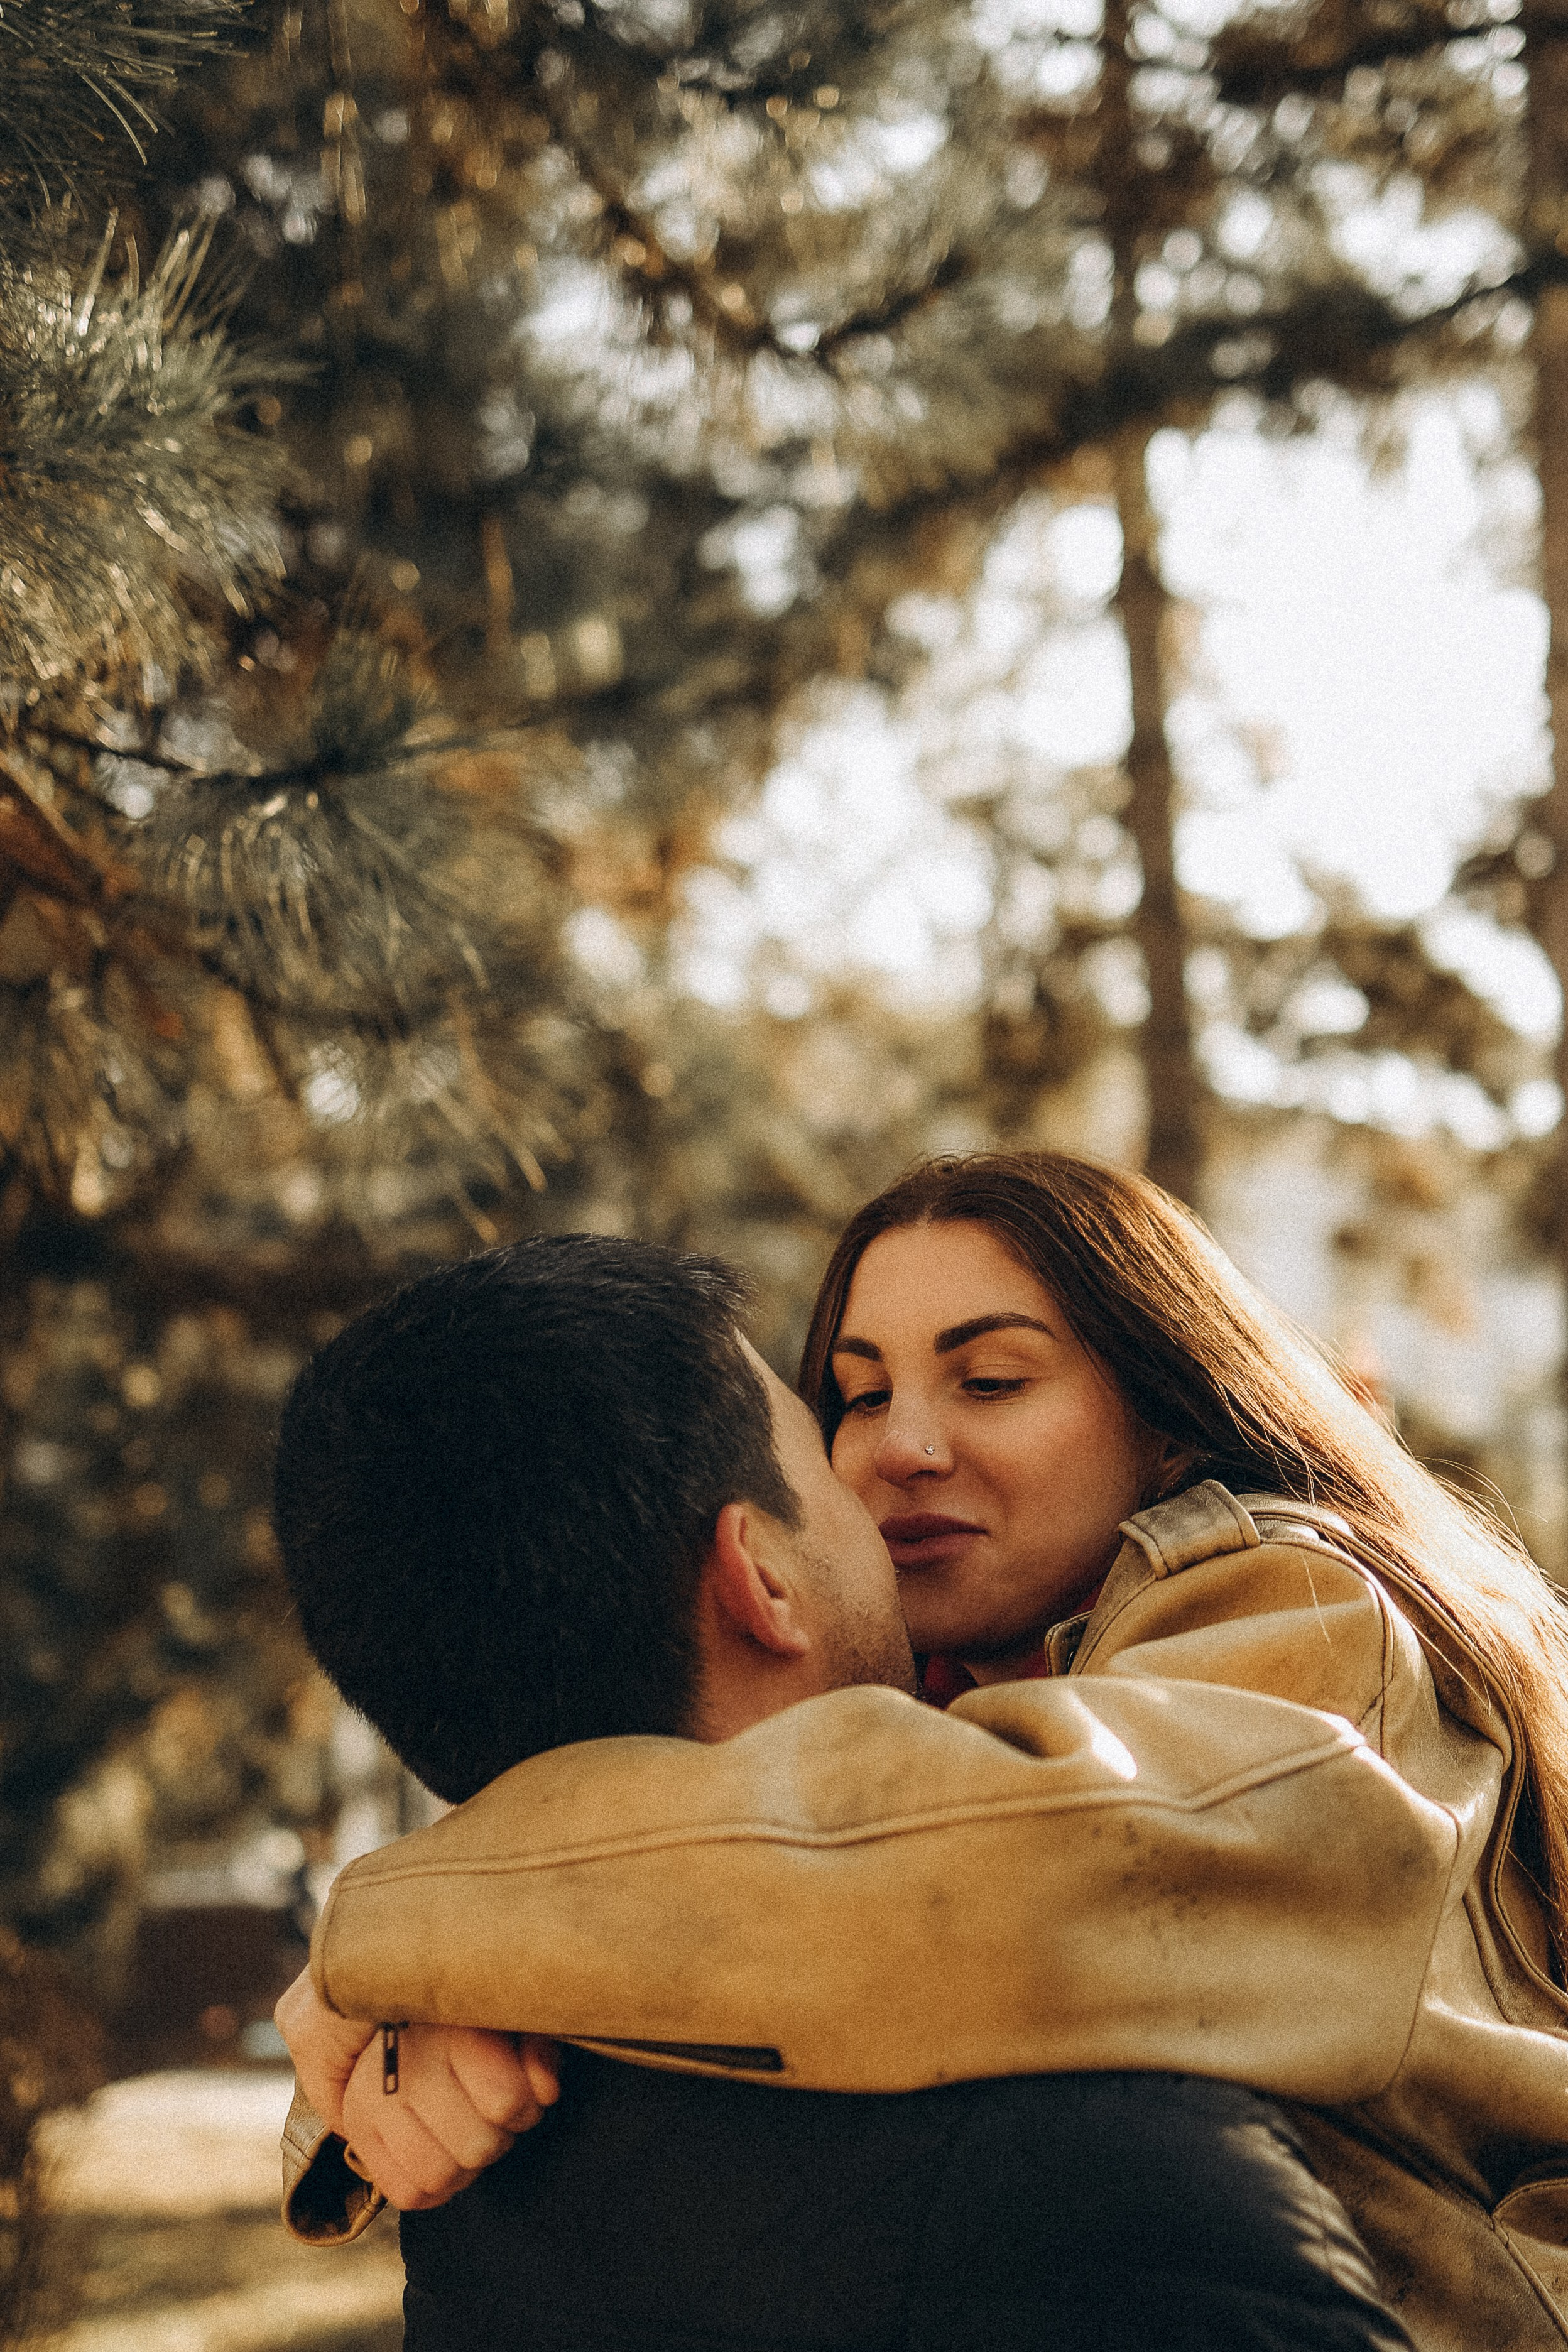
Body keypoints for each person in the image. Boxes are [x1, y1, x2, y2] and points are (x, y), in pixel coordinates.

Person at [283, 1157, 1568, 2352]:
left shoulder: (1306, 1613)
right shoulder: (944, 1716)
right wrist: (429, 2012)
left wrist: (391, 1949)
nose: (901, 1446)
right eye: (854, 1394)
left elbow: (1018, 1870)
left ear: (1172, 1418)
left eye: (991, 1380)